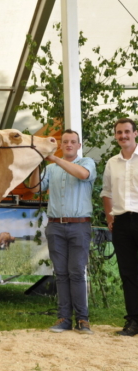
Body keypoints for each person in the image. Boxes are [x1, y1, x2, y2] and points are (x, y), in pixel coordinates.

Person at [29, 129, 96, 334]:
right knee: (61, 274)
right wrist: (35, 163)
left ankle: (82, 320)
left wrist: (54, 159)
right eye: (65, 141)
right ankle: (64, 318)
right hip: (55, 225)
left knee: (76, 272)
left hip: (79, 225)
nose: (68, 144)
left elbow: (82, 175)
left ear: (78, 146)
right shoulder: (50, 168)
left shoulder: (87, 163)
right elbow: (35, 189)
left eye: (72, 142)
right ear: (61, 144)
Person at [101, 117, 138, 336]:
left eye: (126, 131)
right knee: (128, 273)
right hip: (121, 222)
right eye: (118, 132)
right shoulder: (111, 163)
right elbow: (106, 192)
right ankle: (133, 321)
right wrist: (109, 218)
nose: (122, 135)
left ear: (135, 133)